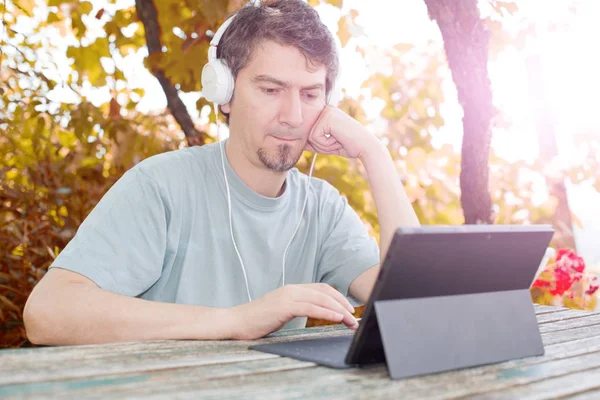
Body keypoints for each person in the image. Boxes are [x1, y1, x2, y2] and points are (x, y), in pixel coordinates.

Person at [23, 0, 419, 346]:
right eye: (270, 90)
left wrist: (375, 155)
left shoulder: (322, 208)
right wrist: (236, 321)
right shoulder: (162, 185)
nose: (293, 116)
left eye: (311, 94)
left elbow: (413, 303)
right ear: (224, 91)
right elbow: (48, 313)